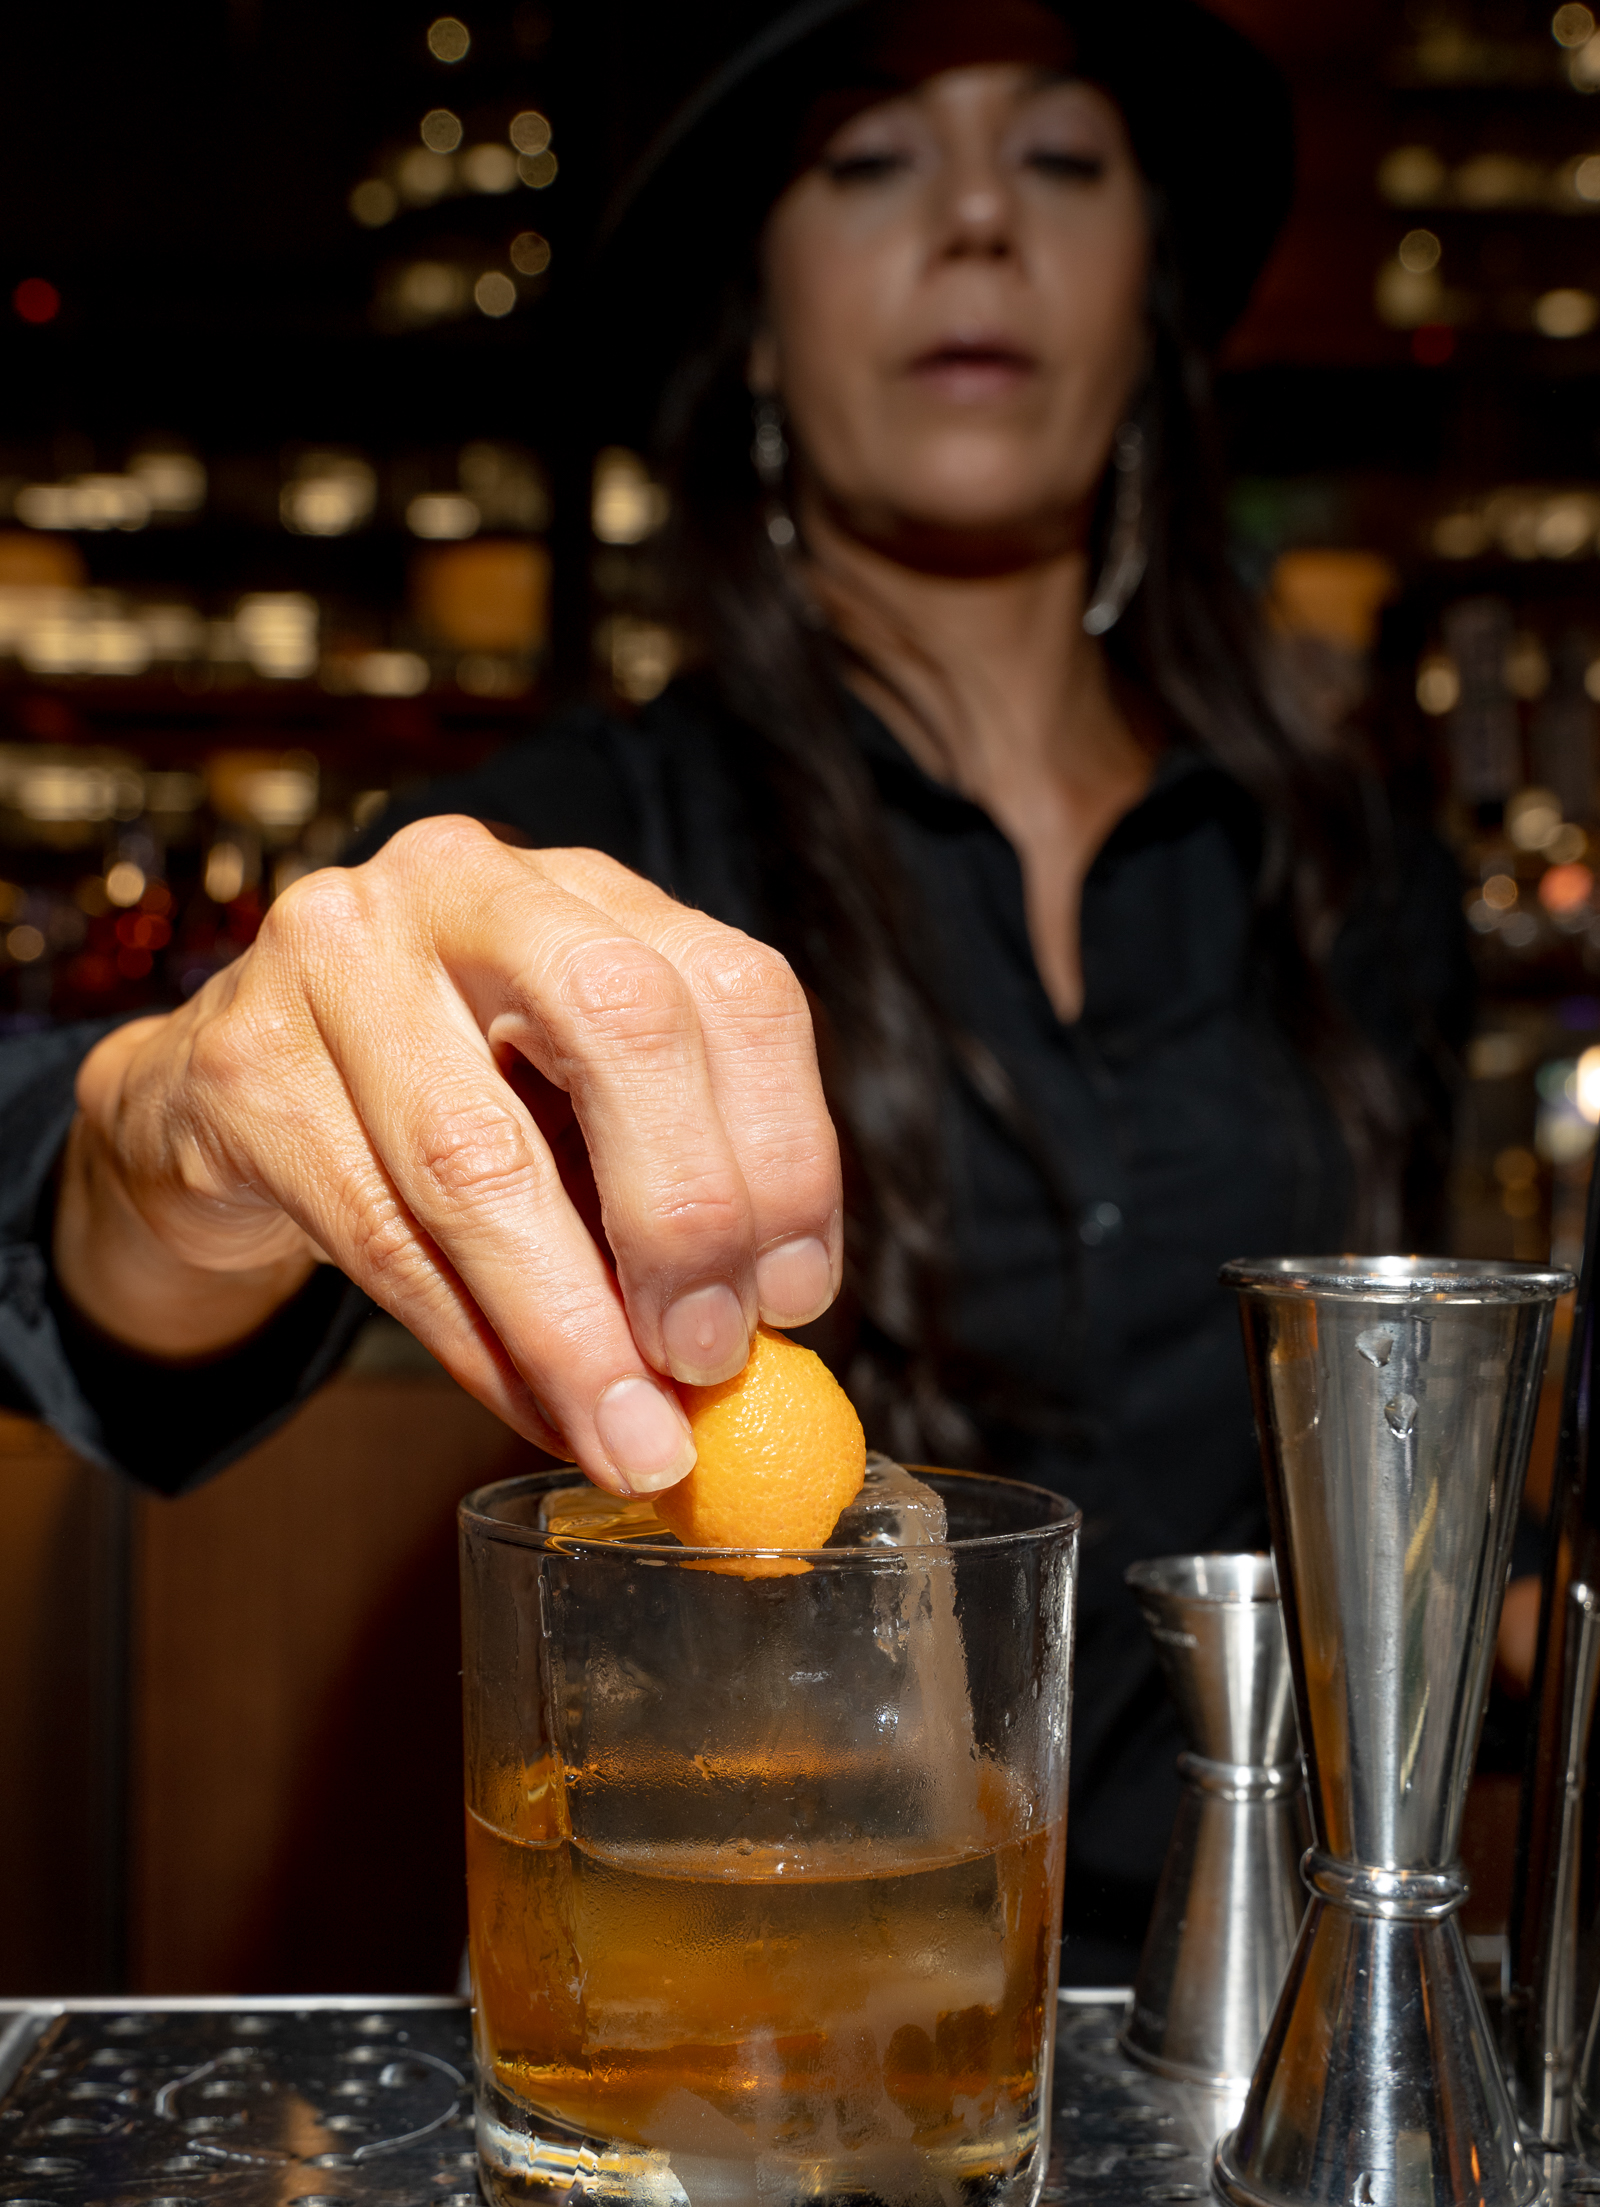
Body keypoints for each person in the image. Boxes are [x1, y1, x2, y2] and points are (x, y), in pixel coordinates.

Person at [0, 0, 1469, 1977]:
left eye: (1055, 159)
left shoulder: (1355, 875)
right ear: (755, 325)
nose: (971, 220)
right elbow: (102, 1270)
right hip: (765, 2016)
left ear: (1153, 297)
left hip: (1258, 2029)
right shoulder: (581, 840)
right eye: (868, 161)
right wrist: (167, 1138)